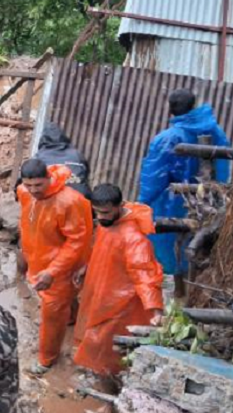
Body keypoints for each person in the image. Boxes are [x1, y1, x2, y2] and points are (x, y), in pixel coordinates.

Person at [139, 89, 229, 298]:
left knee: (172, 247)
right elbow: (223, 165)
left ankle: (180, 293)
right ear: (194, 105)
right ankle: (196, 294)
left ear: (170, 110)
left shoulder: (166, 138)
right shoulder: (214, 131)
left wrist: (143, 202)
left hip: (171, 200)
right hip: (206, 198)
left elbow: (153, 175)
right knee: (200, 245)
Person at [74, 184, 163, 379]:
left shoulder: (134, 239)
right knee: (96, 344)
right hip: (102, 293)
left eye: (105, 212)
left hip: (120, 307)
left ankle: (110, 399)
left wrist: (155, 308)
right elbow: (100, 249)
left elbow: (145, 275)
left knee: (108, 354)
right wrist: (86, 267)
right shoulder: (108, 224)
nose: (101, 217)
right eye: (97, 212)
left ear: (120, 206)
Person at [17, 159, 93, 374]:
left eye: (38, 185)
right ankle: (71, 318)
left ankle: (46, 358)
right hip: (39, 259)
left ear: (48, 179)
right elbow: (26, 223)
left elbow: (77, 241)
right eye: (28, 185)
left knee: (52, 313)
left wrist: (53, 271)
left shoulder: (70, 201)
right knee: (62, 305)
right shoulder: (24, 193)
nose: (33, 191)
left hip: (62, 266)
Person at [35, 123, 91, 198]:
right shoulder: (77, 154)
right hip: (78, 196)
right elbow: (86, 173)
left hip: (51, 198)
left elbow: (26, 177)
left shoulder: (39, 156)